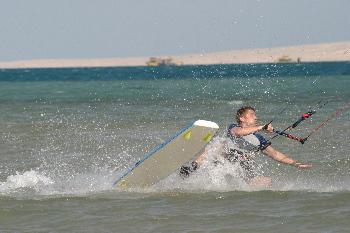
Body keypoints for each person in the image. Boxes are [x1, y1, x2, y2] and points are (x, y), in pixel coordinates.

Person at [180, 106, 312, 187]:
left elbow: (276, 155)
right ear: (242, 118)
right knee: (219, 144)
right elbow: (239, 133)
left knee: (265, 181)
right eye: (252, 115)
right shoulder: (234, 127)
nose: (256, 117)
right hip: (222, 156)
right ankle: (192, 168)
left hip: (241, 165)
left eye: (255, 115)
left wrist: (295, 163)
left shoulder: (259, 139)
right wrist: (261, 127)